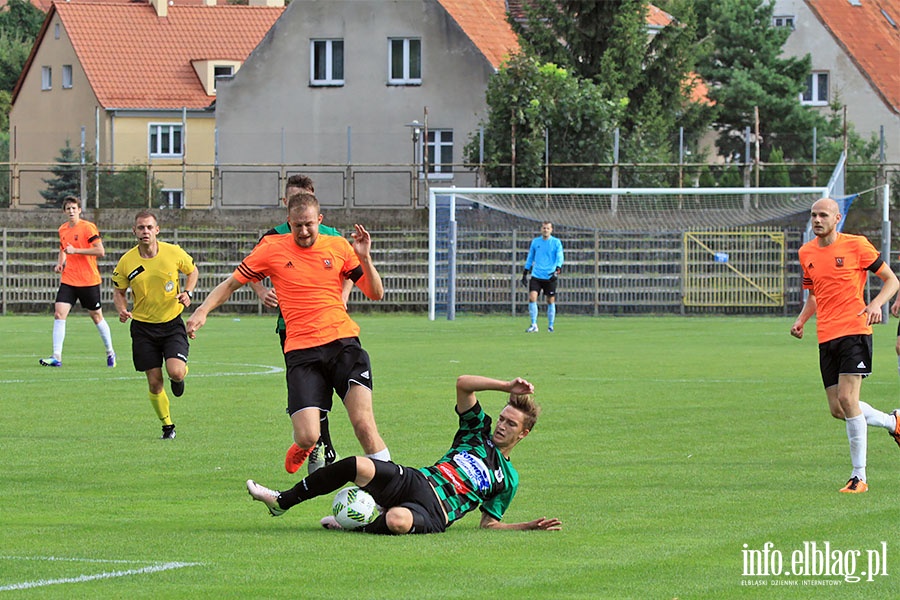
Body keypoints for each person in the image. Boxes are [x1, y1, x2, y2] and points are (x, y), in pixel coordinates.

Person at [186, 191, 390, 473]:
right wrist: (202, 310)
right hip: (301, 352)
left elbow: (375, 293)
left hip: (343, 344)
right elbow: (231, 284)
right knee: (308, 435)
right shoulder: (272, 248)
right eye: (298, 225)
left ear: (319, 220)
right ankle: (304, 445)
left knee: (364, 424)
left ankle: (394, 493)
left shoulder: (339, 246)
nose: (304, 231)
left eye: (309, 224)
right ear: (288, 222)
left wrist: (365, 258)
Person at [246, 374, 562, 535]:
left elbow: (489, 525)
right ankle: (281, 502)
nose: (502, 426)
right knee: (357, 465)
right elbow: (463, 384)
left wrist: (527, 527)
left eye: (511, 424)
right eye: (503, 419)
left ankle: (354, 527)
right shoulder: (477, 430)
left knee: (397, 520)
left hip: (437, 513)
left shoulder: (507, 479)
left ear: (523, 433)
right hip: (416, 480)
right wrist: (506, 385)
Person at [790, 197, 900, 493]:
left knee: (849, 400)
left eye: (823, 215)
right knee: (838, 409)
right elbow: (813, 295)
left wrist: (876, 303)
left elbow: (891, 280)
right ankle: (893, 423)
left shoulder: (857, 245)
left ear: (837, 218)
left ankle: (859, 477)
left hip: (855, 331)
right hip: (826, 337)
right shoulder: (806, 252)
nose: (816, 220)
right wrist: (801, 321)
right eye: (813, 215)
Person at [250, 174, 351, 473]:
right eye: (292, 199)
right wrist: (262, 291)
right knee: (311, 390)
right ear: (286, 204)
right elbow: (248, 270)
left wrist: (343, 297)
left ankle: (321, 445)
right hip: (292, 328)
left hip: (332, 327)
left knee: (329, 388)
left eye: (303, 197)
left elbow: (349, 271)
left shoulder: (330, 235)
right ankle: (321, 446)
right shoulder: (273, 238)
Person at [112, 210, 198, 440]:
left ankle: (179, 378)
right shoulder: (127, 261)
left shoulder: (173, 252)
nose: (145, 232)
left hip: (171, 323)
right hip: (143, 328)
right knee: (154, 382)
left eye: (149, 227)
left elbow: (192, 271)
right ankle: (167, 426)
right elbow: (119, 292)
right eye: (141, 228)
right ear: (134, 231)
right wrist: (121, 309)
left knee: (176, 372)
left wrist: (188, 292)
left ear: (157, 230)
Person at [39, 195, 116, 368]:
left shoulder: (88, 228)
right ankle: (56, 356)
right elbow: (63, 249)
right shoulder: (63, 229)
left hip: (88, 280)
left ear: (79, 210)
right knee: (59, 313)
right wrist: (60, 263)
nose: (71, 211)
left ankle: (110, 351)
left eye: (74, 208)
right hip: (69, 279)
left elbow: (100, 251)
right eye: (68, 209)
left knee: (96, 317)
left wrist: (76, 250)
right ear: (64, 211)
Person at [521, 221, 564, 333]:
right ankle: (534, 324)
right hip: (537, 275)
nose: (545, 230)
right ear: (541, 229)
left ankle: (550, 326)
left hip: (550, 275)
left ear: (551, 230)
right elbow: (530, 257)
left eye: (548, 228)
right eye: (544, 228)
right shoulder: (535, 242)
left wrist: (557, 270)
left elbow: (560, 257)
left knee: (550, 300)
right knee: (532, 297)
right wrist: (525, 272)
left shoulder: (556, 242)